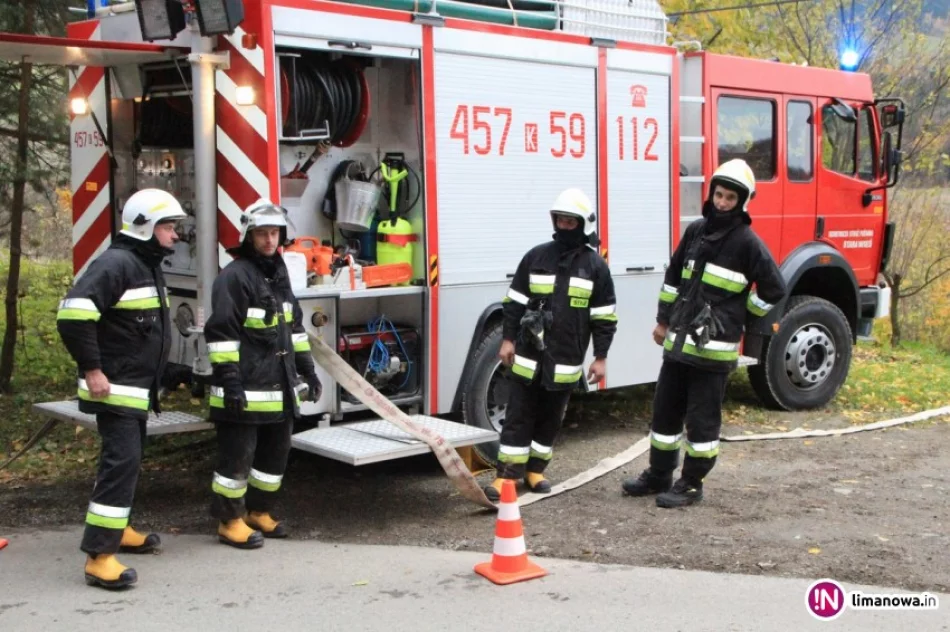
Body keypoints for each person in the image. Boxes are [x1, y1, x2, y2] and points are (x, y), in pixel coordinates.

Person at [622, 159, 786, 508]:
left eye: (730, 198)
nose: (722, 203)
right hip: (679, 345)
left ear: (742, 202)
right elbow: (673, 278)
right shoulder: (696, 231)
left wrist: (742, 314)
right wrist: (663, 321)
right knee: (664, 414)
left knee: (702, 423)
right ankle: (659, 474)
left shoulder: (748, 243)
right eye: (719, 194)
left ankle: (692, 484)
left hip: (713, 354)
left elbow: (774, 289)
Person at [57, 188, 187, 589]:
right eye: (168, 226)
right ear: (146, 226)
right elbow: (73, 315)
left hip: (133, 388)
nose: (175, 234)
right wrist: (92, 369)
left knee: (128, 464)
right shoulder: (117, 264)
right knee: (120, 466)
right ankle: (99, 557)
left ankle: (121, 530)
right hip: (114, 389)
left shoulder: (144, 263)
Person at [486, 188, 618, 502]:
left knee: (550, 418)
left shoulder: (595, 267)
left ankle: (535, 471)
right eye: (560, 220)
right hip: (528, 355)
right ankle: (506, 477)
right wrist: (507, 340)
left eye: (570, 222)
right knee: (518, 415)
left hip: (566, 358)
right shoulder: (536, 257)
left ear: (583, 225)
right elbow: (514, 302)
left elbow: (604, 317)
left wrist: (600, 357)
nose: (564, 226)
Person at [204, 199, 321, 548]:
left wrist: (308, 371)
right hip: (243, 389)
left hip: (279, 387)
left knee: (274, 456)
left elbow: (294, 329)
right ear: (248, 236)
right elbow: (222, 335)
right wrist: (231, 383)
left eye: (274, 233)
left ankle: (258, 511)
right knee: (236, 460)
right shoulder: (234, 277)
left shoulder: (278, 274)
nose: (269, 240)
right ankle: (229, 521)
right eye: (262, 234)